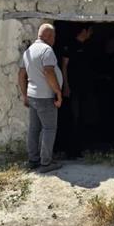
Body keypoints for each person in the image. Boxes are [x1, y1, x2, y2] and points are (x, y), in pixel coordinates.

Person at [18, 23, 63, 173]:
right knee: (49, 128)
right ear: (50, 36)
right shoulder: (46, 50)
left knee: (34, 129)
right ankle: (46, 163)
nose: (54, 40)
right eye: (54, 36)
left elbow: (21, 75)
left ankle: (33, 160)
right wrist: (58, 92)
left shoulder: (29, 51)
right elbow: (48, 72)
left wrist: (24, 95)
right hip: (45, 97)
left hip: (32, 96)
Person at [60, 24, 99, 155]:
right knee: (73, 117)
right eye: (90, 30)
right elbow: (64, 66)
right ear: (84, 31)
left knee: (84, 116)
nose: (91, 33)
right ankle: (71, 150)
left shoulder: (88, 46)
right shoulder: (70, 45)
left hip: (85, 88)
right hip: (73, 88)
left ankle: (81, 148)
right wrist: (66, 86)